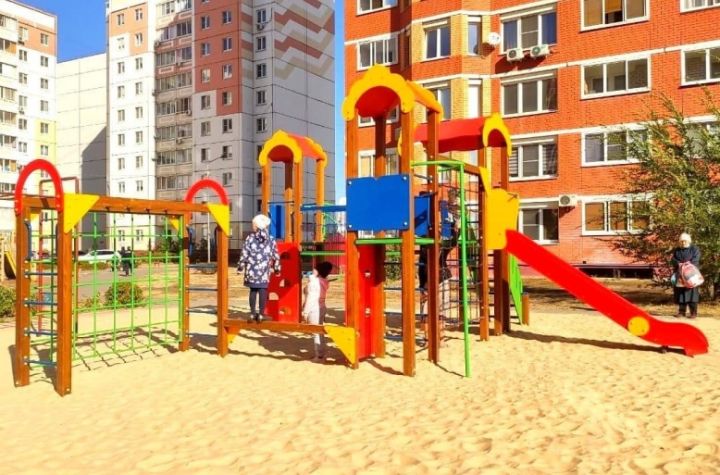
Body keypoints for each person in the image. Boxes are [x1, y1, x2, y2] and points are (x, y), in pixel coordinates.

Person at [237, 214, 280, 322]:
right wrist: (277, 269)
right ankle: (261, 314)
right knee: (262, 290)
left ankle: (252, 313)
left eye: (253, 224)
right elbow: (275, 255)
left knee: (253, 290)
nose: (252, 226)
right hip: (264, 270)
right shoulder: (270, 239)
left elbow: (244, 253)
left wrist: (240, 267)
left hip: (251, 269)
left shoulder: (250, 238)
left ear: (257, 225)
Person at [301, 261, 333, 361]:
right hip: (321, 307)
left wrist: (305, 312)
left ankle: (319, 355)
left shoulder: (314, 283)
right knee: (319, 331)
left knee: (316, 332)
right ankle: (321, 353)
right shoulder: (324, 281)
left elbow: (311, 298)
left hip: (314, 308)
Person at [671, 232, 701, 319]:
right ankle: (681, 312)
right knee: (680, 293)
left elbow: (696, 259)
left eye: (685, 241)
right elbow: (673, 260)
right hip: (680, 274)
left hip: (691, 274)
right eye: (681, 241)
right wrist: (679, 264)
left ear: (688, 241)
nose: (683, 243)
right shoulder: (677, 250)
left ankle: (693, 313)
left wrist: (687, 265)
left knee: (692, 294)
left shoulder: (694, 249)